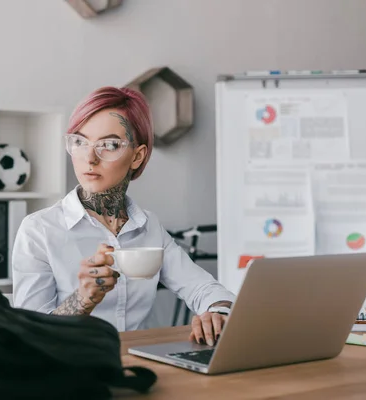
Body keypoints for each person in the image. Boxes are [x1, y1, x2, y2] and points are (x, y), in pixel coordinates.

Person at [12, 86, 236, 346]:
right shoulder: (39, 230)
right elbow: (28, 335)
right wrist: (82, 300)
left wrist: (217, 313)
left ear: (137, 157)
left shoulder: (148, 227)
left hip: (136, 363)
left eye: (109, 145)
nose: (89, 158)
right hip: (67, 371)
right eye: (80, 142)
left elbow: (202, 288)